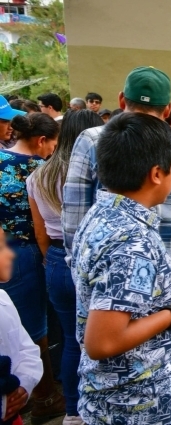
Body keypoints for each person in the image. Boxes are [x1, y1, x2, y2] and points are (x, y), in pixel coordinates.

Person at [62, 67, 171, 424]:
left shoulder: (103, 213)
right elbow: (103, 342)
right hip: (138, 403)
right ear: (157, 173)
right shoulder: (132, 242)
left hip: (123, 394)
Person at [26, 110, 103, 425]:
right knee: (101, 340)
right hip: (94, 258)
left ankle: (73, 412)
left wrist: (53, 260)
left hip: (57, 259)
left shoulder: (38, 176)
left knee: (72, 340)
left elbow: (40, 232)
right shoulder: (94, 172)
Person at [0, 112, 62, 422]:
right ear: (41, 140)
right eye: (52, 144)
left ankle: (11, 391)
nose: (53, 150)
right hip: (24, 253)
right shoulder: (39, 170)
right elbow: (42, 229)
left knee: (7, 324)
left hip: (2, 248)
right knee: (32, 328)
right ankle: (45, 397)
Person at [0, 229, 43, 425]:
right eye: (1, 248)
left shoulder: (4, 300)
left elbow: (27, 348)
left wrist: (24, 386)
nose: (11, 254)